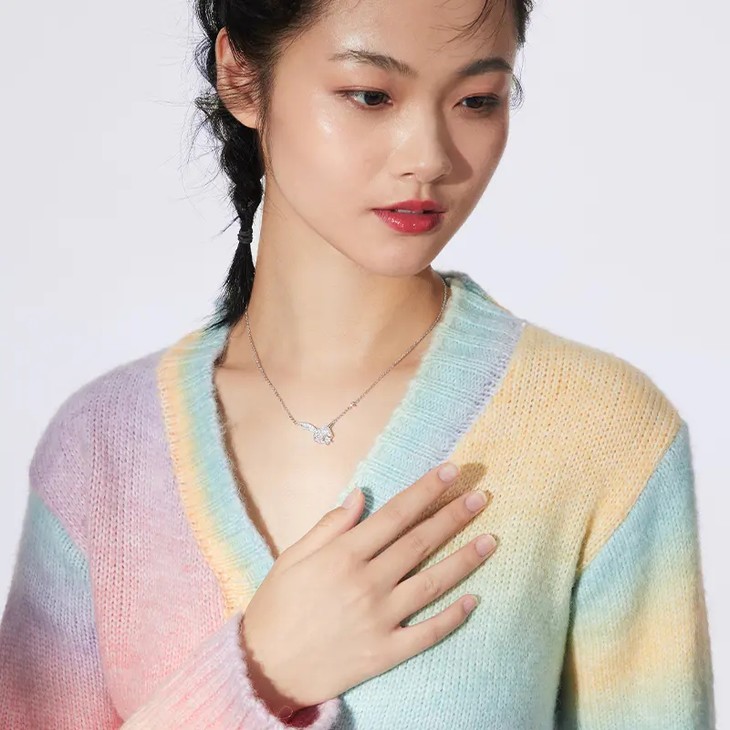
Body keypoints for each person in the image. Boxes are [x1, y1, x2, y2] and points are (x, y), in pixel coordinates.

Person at [0, 0, 716, 727]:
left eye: (476, 100)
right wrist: (264, 671)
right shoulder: (102, 450)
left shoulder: (600, 433)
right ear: (241, 77)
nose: (429, 157)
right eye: (371, 96)